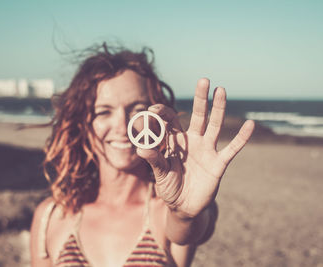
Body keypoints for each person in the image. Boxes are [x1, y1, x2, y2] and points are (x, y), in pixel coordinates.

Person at [30, 43, 255, 267]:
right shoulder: (50, 217)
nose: (122, 125)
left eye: (137, 109)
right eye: (103, 111)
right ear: (83, 124)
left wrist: (184, 214)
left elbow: (188, 230)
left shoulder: (168, 208)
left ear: (156, 119)